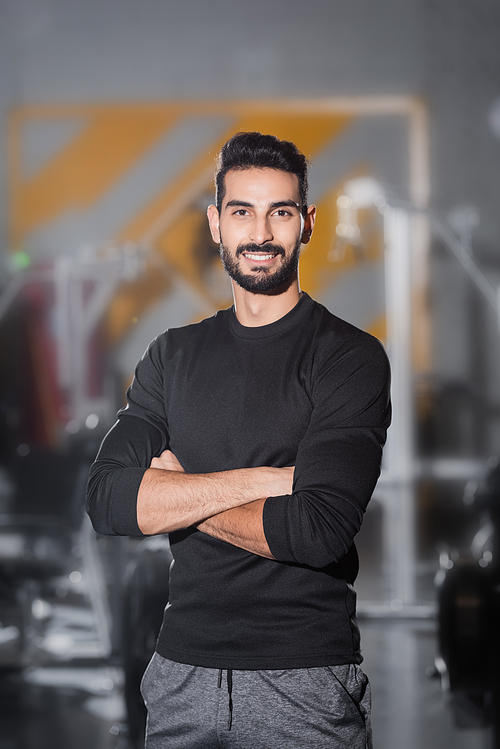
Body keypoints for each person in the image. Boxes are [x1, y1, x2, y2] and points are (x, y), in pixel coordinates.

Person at [86, 131, 391, 748]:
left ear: (306, 224)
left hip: (302, 681)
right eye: (241, 211)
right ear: (215, 223)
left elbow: (316, 530)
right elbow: (108, 500)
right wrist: (269, 482)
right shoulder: (172, 356)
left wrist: (174, 494)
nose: (260, 233)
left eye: (280, 212)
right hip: (179, 677)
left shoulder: (349, 359)